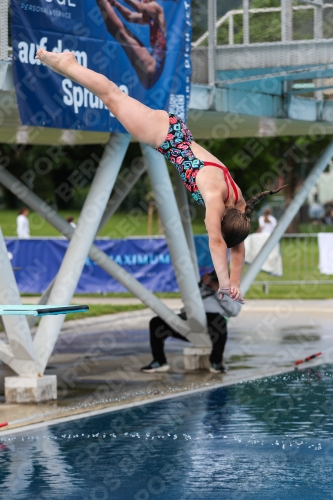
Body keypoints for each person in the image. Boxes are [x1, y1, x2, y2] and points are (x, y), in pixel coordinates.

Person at [35, 49, 285, 303]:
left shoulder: (240, 203)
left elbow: (237, 244)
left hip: (176, 131)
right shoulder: (214, 197)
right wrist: (223, 284)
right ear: (221, 218)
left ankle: (69, 67)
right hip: (163, 135)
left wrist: (235, 284)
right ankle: (68, 64)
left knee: (112, 96)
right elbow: (218, 243)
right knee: (111, 95)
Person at [141, 269, 241, 374]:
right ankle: (159, 361)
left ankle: (216, 362)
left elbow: (234, 311)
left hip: (211, 324)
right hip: (188, 321)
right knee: (156, 322)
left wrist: (220, 292)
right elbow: (188, 298)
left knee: (218, 320)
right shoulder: (201, 288)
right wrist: (202, 284)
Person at [96, 0, 166, 89]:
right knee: (115, 30)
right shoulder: (151, 16)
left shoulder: (157, 8)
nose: (142, 1)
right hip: (149, 75)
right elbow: (129, 16)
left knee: (121, 33)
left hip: (154, 65)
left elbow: (139, 7)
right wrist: (115, 4)